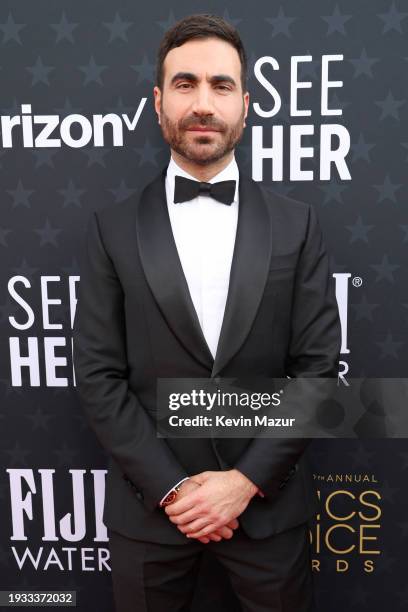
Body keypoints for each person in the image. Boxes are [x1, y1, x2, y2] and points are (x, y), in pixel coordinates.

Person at [73, 13, 341, 612]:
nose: (203, 103)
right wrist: (174, 490)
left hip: (268, 514)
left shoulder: (297, 226)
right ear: (158, 101)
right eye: (185, 83)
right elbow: (97, 376)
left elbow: (320, 373)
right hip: (151, 517)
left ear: (245, 105)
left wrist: (242, 485)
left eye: (221, 86)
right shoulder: (111, 229)